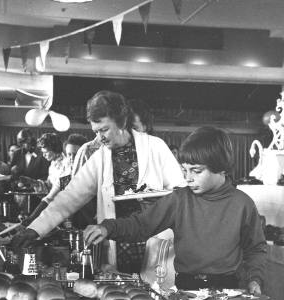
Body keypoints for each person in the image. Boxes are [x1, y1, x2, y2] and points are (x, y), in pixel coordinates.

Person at [83, 126, 267, 300]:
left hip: (227, 295)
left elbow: (256, 248)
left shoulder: (243, 204)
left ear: (221, 168)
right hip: (187, 291)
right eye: (185, 170)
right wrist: (108, 227)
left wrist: (255, 277)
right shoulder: (179, 199)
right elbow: (141, 224)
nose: (188, 178)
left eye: (196, 171)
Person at [19, 91, 185, 270]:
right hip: (118, 242)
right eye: (96, 132)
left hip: (155, 238)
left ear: (121, 122)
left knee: (154, 290)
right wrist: (35, 229)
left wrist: (158, 201)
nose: (100, 138)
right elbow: (70, 196)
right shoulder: (100, 158)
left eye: (104, 130)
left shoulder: (155, 146)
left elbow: (181, 193)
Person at [23, 134, 88, 223]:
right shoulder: (66, 172)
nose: (72, 159)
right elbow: (51, 195)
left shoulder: (89, 172)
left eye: (76, 155)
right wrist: (32, 218)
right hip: (66, 214)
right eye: (69, 155)